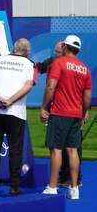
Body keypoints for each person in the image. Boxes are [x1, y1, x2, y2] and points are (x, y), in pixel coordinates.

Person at [0, 38, 36, 199]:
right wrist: (10, 101)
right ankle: (14, 187)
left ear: (14, 48)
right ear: (27, 51)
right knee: (15, 149)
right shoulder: (30, 64)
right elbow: (28, 86)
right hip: (16, 112)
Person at [40, 35, 91, 200]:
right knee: (73, 150)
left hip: (60, 112)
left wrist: (44, 107)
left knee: (56, 150)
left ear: (66, 47)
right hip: (76, 114)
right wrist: (83, 114)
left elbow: (50, 87)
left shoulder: (59, 63)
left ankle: (52, 187)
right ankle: (74, 188)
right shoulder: (85, 69)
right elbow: (87, 97)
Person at [37, 41, 83, 187]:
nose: (56, 54)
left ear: (65, 50)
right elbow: (38, 67)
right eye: (55, 52)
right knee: (64, 147)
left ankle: (70, 180)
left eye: (58, 52)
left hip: (65, 110)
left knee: (68, 147)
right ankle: (63, 177)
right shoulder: (53, 61)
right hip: (59, 107)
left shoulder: (70, 66)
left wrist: (43, 107)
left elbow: (79, 89)